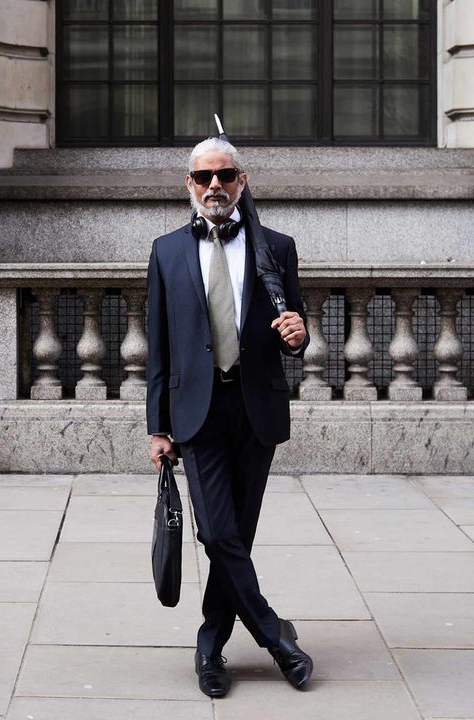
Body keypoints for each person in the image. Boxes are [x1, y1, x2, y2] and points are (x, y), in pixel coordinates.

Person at [145, 137, 313, 698]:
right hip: (196, 413)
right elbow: (160, 350)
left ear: (242, 181)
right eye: (202, 177)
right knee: (215, 530)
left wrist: (299, 336)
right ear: (188, 186)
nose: (213, 185)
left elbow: (294, 326)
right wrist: (157, 426)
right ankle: (273, 632)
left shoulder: (277, 247)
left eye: (224, 175)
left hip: (255, 408)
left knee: (236, 535)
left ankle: (211, 647)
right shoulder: (166, 252)